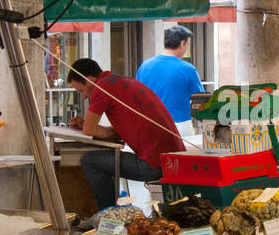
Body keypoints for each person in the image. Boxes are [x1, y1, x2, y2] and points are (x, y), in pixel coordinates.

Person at [66, 58, 185, 210]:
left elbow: (89, 130)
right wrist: (86, 126)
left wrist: (86, 126)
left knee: (90, 161)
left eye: (81, 91)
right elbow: (114, 133)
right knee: (104, 158)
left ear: (90, 81)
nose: (83, 96)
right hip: (173, 160)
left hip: (154, 165)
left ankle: (107, 216)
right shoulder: (121, 81)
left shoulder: (102, 87)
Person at [136, 24, 204, 134]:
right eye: (187, 45)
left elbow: (137, 98)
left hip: (149, 125)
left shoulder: (144, 67)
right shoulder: (187, 69)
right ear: (182, 43)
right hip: (179, 127)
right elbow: (202, 103)